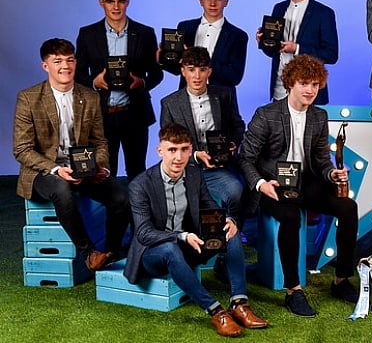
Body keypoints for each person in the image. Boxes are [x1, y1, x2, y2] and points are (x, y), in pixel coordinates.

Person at [238, 54, 359, 317]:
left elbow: (320, 160)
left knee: (349, 207)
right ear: (290, 83)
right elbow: (245, 157)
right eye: (305, 83)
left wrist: (333, 175)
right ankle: (294, 291)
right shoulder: (267, 114)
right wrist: (260, 184)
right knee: (290, 218)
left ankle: (341, 280)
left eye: (315, 84)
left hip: (307, 182)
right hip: (273, 184)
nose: (310, 90)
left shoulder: (319, 116)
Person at [124, 123, 269, 337]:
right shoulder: (140, 185)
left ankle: (239, 303)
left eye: (183, 149)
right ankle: (216, 311)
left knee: (230, 232)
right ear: (160, 151)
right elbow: (144, 233)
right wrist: (181, 236)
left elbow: (209, 207)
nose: (178, 157)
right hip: (152, 255)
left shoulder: (194, 175)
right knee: (170, 249)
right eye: (172, 150)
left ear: (191, 150)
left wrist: (226, 219)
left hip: (189, 247)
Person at [13, 38, 130, 271]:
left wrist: (101, 168)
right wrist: (57, 170)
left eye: (70, 60)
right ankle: (89, 254)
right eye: (57, 61)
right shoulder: (28, 98)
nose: (65, 66)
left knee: (121, 197)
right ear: (45, 66)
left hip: (83, 168)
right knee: (62, 189)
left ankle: (110, 252)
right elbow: (22, 149)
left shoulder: (90, 96)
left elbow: (100, 141)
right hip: (44, 171)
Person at [75, 0, 163, 180]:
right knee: (105, 171)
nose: (116, 7)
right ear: (101, 2)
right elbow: (78, 74)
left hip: (135, 113)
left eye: (120, 1)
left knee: (137, 170)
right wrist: (94, 83)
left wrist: (142, 83)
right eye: (110, 1)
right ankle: (112, 212)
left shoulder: (145, 33)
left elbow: (156, 73)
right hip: (101, 115)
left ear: (127, 2)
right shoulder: (88, 34)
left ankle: (139, 212)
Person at [160, 46, 245, 218]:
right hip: (185, 168)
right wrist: (196, 155)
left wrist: (233, 144)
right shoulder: (170, 103)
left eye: (202, 70)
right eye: (191, 70)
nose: (197, 76)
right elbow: (168, 144)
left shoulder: (224, 95)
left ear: (209, 71)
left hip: (219, 167)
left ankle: (235, 229)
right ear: (183, 71)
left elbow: (238, 126)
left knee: (237, 191)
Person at [258, 0, 338, 105]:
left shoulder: (323, 13)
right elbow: (274, 52)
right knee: (279, 128)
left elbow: (331, 55)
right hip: (280, 89)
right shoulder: (278, 8)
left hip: (309, 92)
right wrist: (264, 42)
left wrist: (297, 49)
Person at [168, 0, 248, 92]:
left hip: (221, 101)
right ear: (200, 0)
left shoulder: (238, 36)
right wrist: (162, 58)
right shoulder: (184, 28)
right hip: (186, 98)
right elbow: (176, 69)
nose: (212, 4)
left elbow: (235, 77)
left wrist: (195, 57)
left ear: (226, 2)